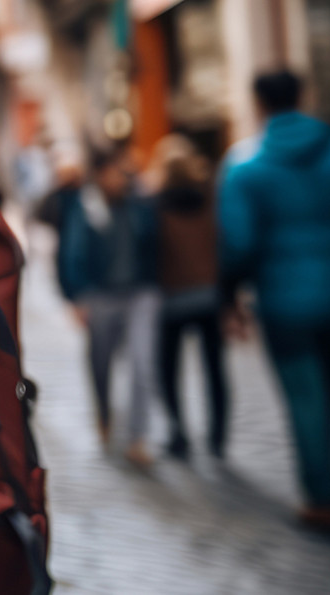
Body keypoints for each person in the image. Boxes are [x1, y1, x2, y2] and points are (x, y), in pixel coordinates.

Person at [219, 70, 330, 534]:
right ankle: (327, 478)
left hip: (284, 303)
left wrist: (229, 297)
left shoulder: (245, 166)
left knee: (304, 398)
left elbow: (237, 242)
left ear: (258, 104)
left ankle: (322, 497)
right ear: (304, 96)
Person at [51, 145, 160, 469]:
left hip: (140, 293)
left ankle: (138, 438)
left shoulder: (139, 202)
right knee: (100, 363)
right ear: (100, 174)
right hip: (100, 295)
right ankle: (104, 412)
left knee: (143, 363)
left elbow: (156, 240)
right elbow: (72, 253)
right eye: (115, 170)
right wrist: (77, 296)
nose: (120, 177)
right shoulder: (85, 206)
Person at [146, 133, 227, 460]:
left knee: (168, 368)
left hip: (172, 297)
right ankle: (218, 435)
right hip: (209, 294)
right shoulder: (210, 198)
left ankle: (179, 433)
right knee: (215, 369)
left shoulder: (155, 205)